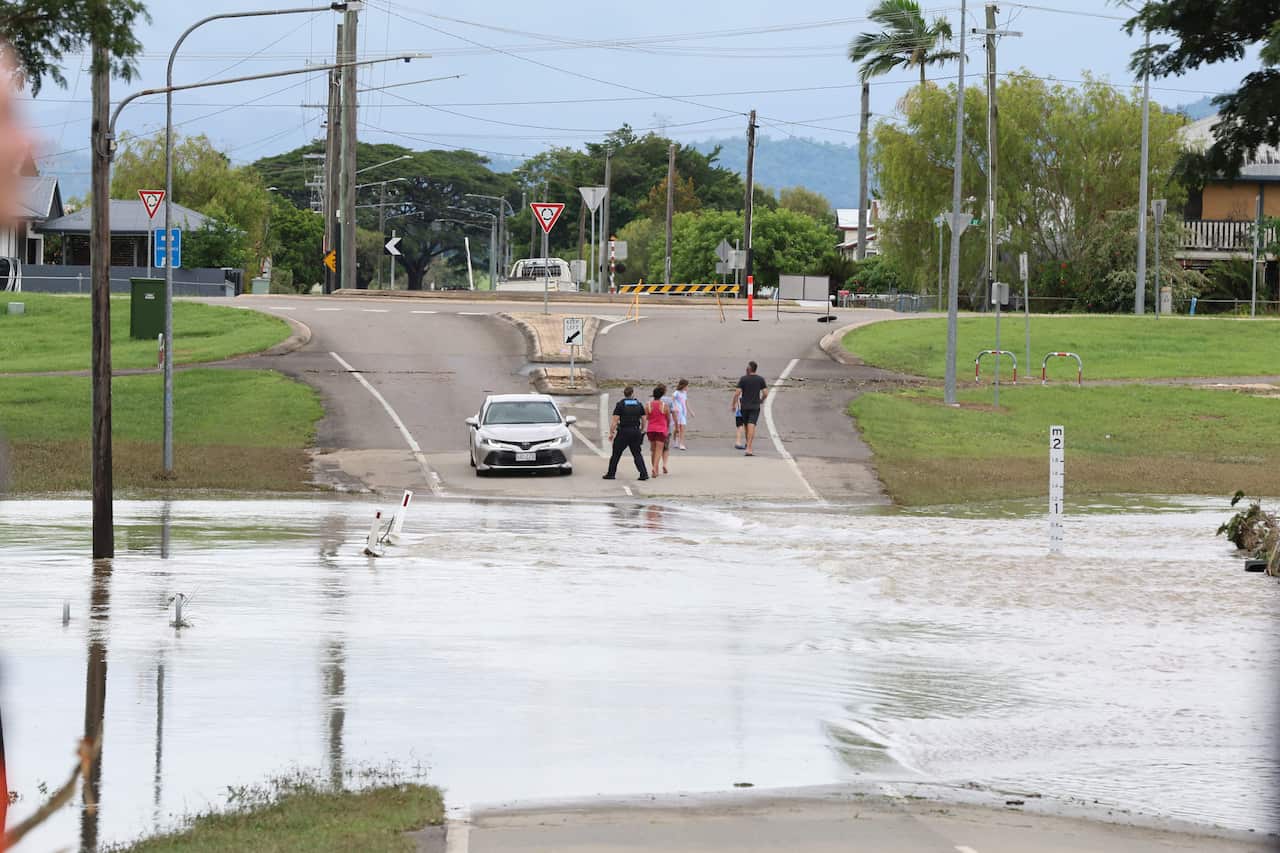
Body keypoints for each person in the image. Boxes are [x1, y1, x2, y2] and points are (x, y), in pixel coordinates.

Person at [603, 386, 649, 480]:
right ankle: (643, 474)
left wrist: (612, 433)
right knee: (637, 453)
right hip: (635, 431)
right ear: (632, 394)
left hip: (623, 432)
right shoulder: (639, 404)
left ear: (624, 394)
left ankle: (611, 473)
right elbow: (644, 419)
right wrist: (642, 429)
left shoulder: (620, 404)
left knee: (616, 454)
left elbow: (615, 421)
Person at [731, 361, 768, 456]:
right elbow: (765, 393)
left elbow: (737, 393)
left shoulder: (743, 379)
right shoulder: (760, 379)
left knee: (747, 426)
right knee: (751, 425)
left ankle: (748, 446)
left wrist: (733, 404)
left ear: (749, 368)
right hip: (755, 406)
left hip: (744, 406)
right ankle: (749, 447)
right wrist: (761, 400)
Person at [646, 385, 671, 478]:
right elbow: (668, 418)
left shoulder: (648, 405)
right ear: (661, 395)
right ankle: (655, 468)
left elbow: (647, 417)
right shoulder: (664, 406)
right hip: (661, 429)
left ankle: (654, 468)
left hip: (651, 429)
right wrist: (667, 426)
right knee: (659, 450)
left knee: (653, 450)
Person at [672, 379, 692, 451]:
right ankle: (675, 441)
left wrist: (690, 411)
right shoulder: (676, 393)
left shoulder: (685, 393)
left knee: (682, 428)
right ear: (683, 386)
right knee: (677, 428)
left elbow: (686, 403)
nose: (687, 387)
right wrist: (675, 407)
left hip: (683, 412)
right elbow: (672, 400)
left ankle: (681, 444)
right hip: (677, 412)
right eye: (687, 386)